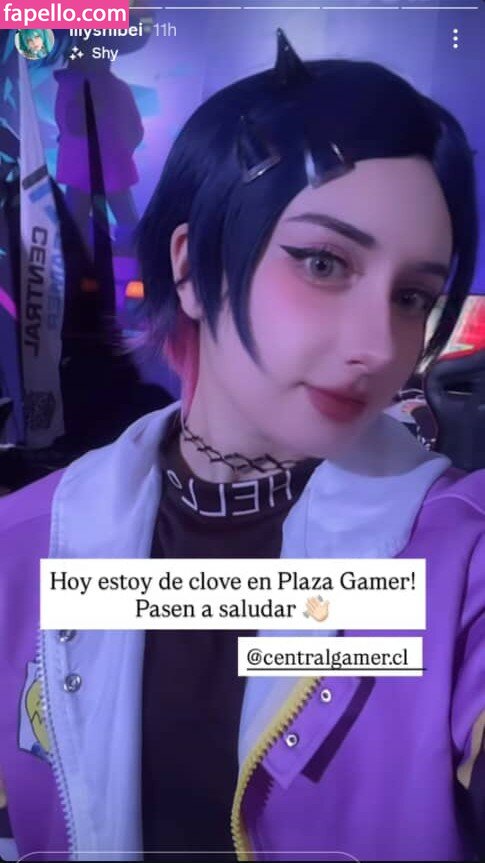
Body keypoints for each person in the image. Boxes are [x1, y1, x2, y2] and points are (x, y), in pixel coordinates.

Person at [0, 29, 484, 863]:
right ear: (191, 268)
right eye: (323, 264)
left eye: (411, 296)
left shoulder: (458, 551)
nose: (378, 345)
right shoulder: (27, 544)